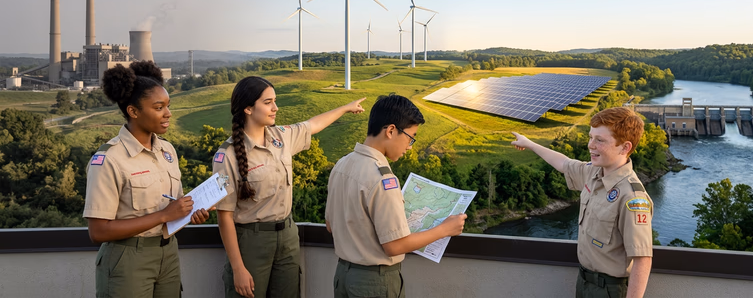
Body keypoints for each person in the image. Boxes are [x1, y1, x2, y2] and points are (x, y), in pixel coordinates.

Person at [212, 76, 366, 298]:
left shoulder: (280, 137)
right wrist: (238, 268)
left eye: (275, 100)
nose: (275, 108)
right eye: (267, 102)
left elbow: (312, 125)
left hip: (287, 237)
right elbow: (224, 216)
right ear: (247, 108)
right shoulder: (227, 155)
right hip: (251, 242)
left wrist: (345, 108)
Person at [84, 61, 210, 298]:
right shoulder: (109, 159)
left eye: (168, 106)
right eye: (159, 107)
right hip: (128, 259)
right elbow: (98, 231)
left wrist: (189, 211)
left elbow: (173, 205)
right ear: (133, 111)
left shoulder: (167, 151)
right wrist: (164, 215)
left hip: (168, 254)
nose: (168, 113)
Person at [325, 94, 467, 298]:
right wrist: (445, 229)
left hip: (343, 276)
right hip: (374, 283)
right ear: (391, 130)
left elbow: (331, 226)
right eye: (410, 137)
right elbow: (394, 245)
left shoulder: (342, 164)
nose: (410, 147)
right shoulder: (382, 179)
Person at [511, 107, 653, 298]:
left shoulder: (632, 197)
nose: (590, 145)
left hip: (609, 290)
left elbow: (642, 259)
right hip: (585, 282)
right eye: (591, 137)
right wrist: (530, 144)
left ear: (625, 147)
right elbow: (564, 163)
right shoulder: (593, 172)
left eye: (599, 140)